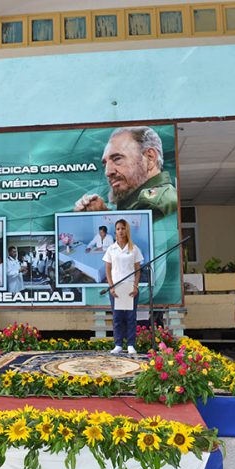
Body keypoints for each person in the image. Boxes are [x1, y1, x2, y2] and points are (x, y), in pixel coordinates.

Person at [73, 126, 177, 218]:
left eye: (117, 159)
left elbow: (130, 237)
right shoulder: (135, 202)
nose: (108, 172)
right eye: (105, 164)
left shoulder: (154, 203)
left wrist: (101, 218)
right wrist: (103, 213)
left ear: (150, 158)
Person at [103, 219, 143, 355]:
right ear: (115, 231)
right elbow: (107, 270)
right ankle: (118, 344)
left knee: (131, 317)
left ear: (127, 231)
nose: (120, 231)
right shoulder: (111, 249)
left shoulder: (134, 248)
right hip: (116, 289)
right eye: (118, 229)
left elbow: (138, 270)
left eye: (123, 228)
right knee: (117, 317)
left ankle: (131, 344)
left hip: (130, 288)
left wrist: (136, 286)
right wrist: (111, 287)